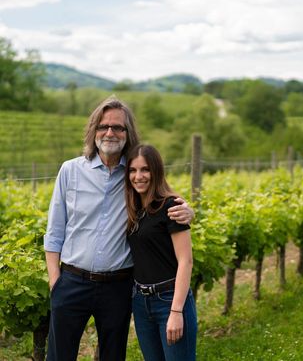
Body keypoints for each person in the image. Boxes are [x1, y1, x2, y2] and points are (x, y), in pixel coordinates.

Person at [44, 96, 193, 361]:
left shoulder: (134, 175)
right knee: (59, 356)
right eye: (103, 126)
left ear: (128, 133)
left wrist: (189, 211)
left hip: (117, 288)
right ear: (94, 131)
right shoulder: (70, 171)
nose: (110, 132)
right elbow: (54, 232)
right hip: (71, 282)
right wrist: (56, 283)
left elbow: (161, 200)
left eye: (118, 127)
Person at [125, 144, 197, 361]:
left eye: (145, 169)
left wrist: (176, 312)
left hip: (169, 300)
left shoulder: (171, 206)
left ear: (156, 171)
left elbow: (186, 261)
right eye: (133, 170)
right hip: (140, 302)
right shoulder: (134, 209)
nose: (138, 176)